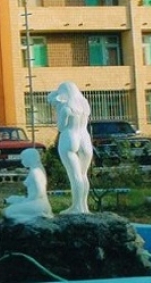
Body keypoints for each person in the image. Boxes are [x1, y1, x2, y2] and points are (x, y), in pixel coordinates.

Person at [48, 81, 93, 214]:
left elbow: (61, 127)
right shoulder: (84, 108)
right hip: (85, 139)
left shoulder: (66, 108)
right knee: (83, 175)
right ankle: (83, 207)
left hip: (69, 138)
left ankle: (76, 207)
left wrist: (57, 108)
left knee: (75, 176)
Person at [3, 148, 53, 223]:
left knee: (8, 211)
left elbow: (39, 193)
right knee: (8, 211)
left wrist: (22, 201)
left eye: (23, 159)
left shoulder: (36, 172)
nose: (22, 161)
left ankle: (32, 220)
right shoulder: (35, 170)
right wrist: (18, 199)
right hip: (36, 202)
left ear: (30, 158)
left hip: (39, 205)